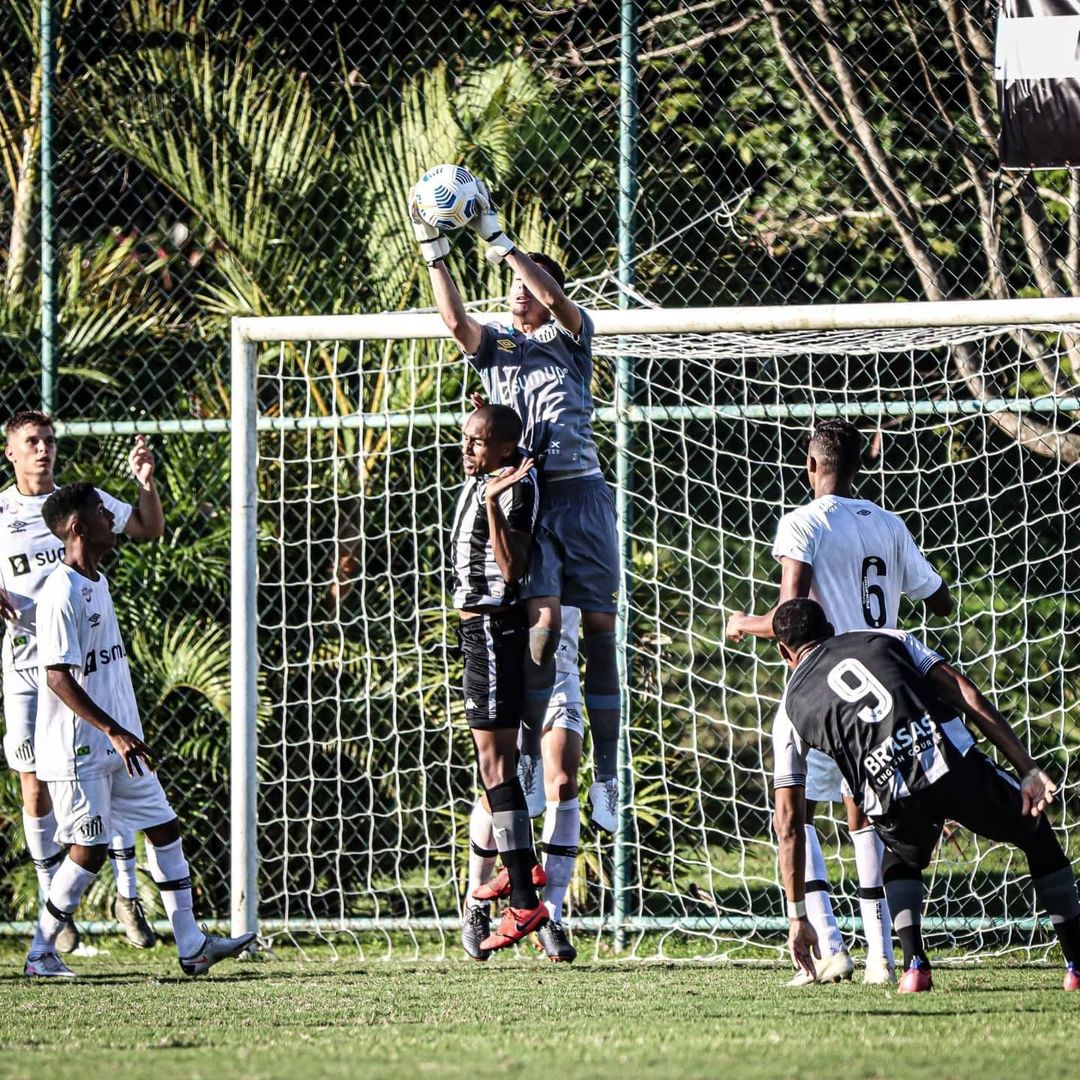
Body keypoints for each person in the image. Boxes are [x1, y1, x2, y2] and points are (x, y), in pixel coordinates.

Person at [411, 183, 622, 833]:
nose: (517, 292)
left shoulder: (572, 338)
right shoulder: (496, 346)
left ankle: (609, 776)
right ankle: (530, 759)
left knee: (599, 632)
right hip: (528, 500)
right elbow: (454, 321)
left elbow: (559, 299)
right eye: (512, 285)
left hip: (582, 496)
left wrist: (503, 243)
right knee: (540, 629)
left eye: (527, 284)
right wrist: (434, 251)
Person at [726, 419, 952, 986]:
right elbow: (941, 600)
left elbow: (789, 613)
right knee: (865, 810)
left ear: (810, 465)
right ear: (860, 467)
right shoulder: (890, 525)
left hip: (822, 680)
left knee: (795, 809)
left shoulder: (803, 521)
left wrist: (741, 622)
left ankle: (829, 945)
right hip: (881, 682)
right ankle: (881, 955)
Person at [771, 597, 1080, 994]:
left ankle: (915, 966)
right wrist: (1027, 767)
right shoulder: (885, 637)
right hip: (948, 764)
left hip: (889, 796)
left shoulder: (788, 711)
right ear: (831, 629)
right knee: (1035, 831)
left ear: (784, 652)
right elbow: (962, 691)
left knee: (899, 859)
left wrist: (798, 918)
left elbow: (789, 823)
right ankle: (1075, 964)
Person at [24, 482, 256, 977]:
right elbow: (58, 677)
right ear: (78, 527)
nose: (112, 518)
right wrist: (114, 730)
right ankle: (40, 952)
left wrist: (122, 731)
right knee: (88, 851)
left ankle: (191, 945)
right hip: (79, 748)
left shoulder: (97, 581)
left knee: (164, 826)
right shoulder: (60, 592)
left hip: (117, 742)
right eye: (101, 513)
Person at [0, 410, 163, 951]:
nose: (43, 450)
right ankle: (56, 909)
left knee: (108, 764)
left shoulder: (77, 502)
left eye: (48, 440)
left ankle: (127, 896)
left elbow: (148, 526)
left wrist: (146, 484)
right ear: (11, 452)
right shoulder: (1, 510)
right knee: (33, 780)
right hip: (26, 662)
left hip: (81, 663)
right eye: (32, 442)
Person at [449, 404, 548, 951]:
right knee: (494, 768)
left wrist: (491, 502)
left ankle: (526, 904)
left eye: (479, 442)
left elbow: (512, 570)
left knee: (495, 766)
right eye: (465, 438)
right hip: (475, 634)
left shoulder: (514, 488)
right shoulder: (488, 477)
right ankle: (521, 871)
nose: (467, 449)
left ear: (506, 447)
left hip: (492, 630)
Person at [463, 606, 584, 963]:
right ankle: (475, 902)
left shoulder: (576, 552)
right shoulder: (514, 557)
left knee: (563, 781)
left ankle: (550, 914)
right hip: (511, 665)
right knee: (502, 785)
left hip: (561, 673)